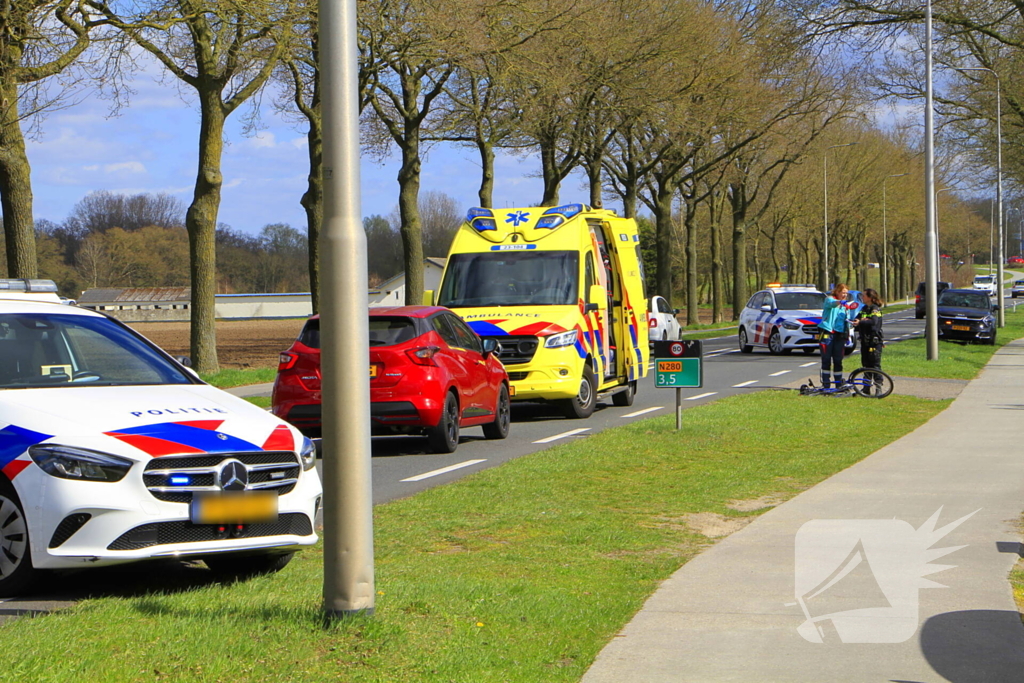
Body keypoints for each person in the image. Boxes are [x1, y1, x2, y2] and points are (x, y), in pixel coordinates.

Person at [818, 283, 857, 389]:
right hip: (828, 333)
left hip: (840, 335)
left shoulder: (846, 306)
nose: (845, 295)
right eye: (843, 292)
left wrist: (850, 326)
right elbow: (832, 304)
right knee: (826, 359)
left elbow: (846, 320)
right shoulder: (830, 299)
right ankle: (826, 384)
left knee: (838, 360)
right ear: (837, 292)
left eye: (846, 293)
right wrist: (840, 302)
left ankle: (838, 384)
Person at [854, 288, 885, 382]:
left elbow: (874, 322)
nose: (862, 297)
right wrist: (856, 322)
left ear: (870, 297)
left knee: (875, 364)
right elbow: (857, 319)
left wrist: (861, 322)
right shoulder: (864, 308)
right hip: (865, 340)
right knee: (865, 364)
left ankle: (878, 386)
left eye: (863, 295)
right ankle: (866, 387)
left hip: (874, 342)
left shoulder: (874, 309)